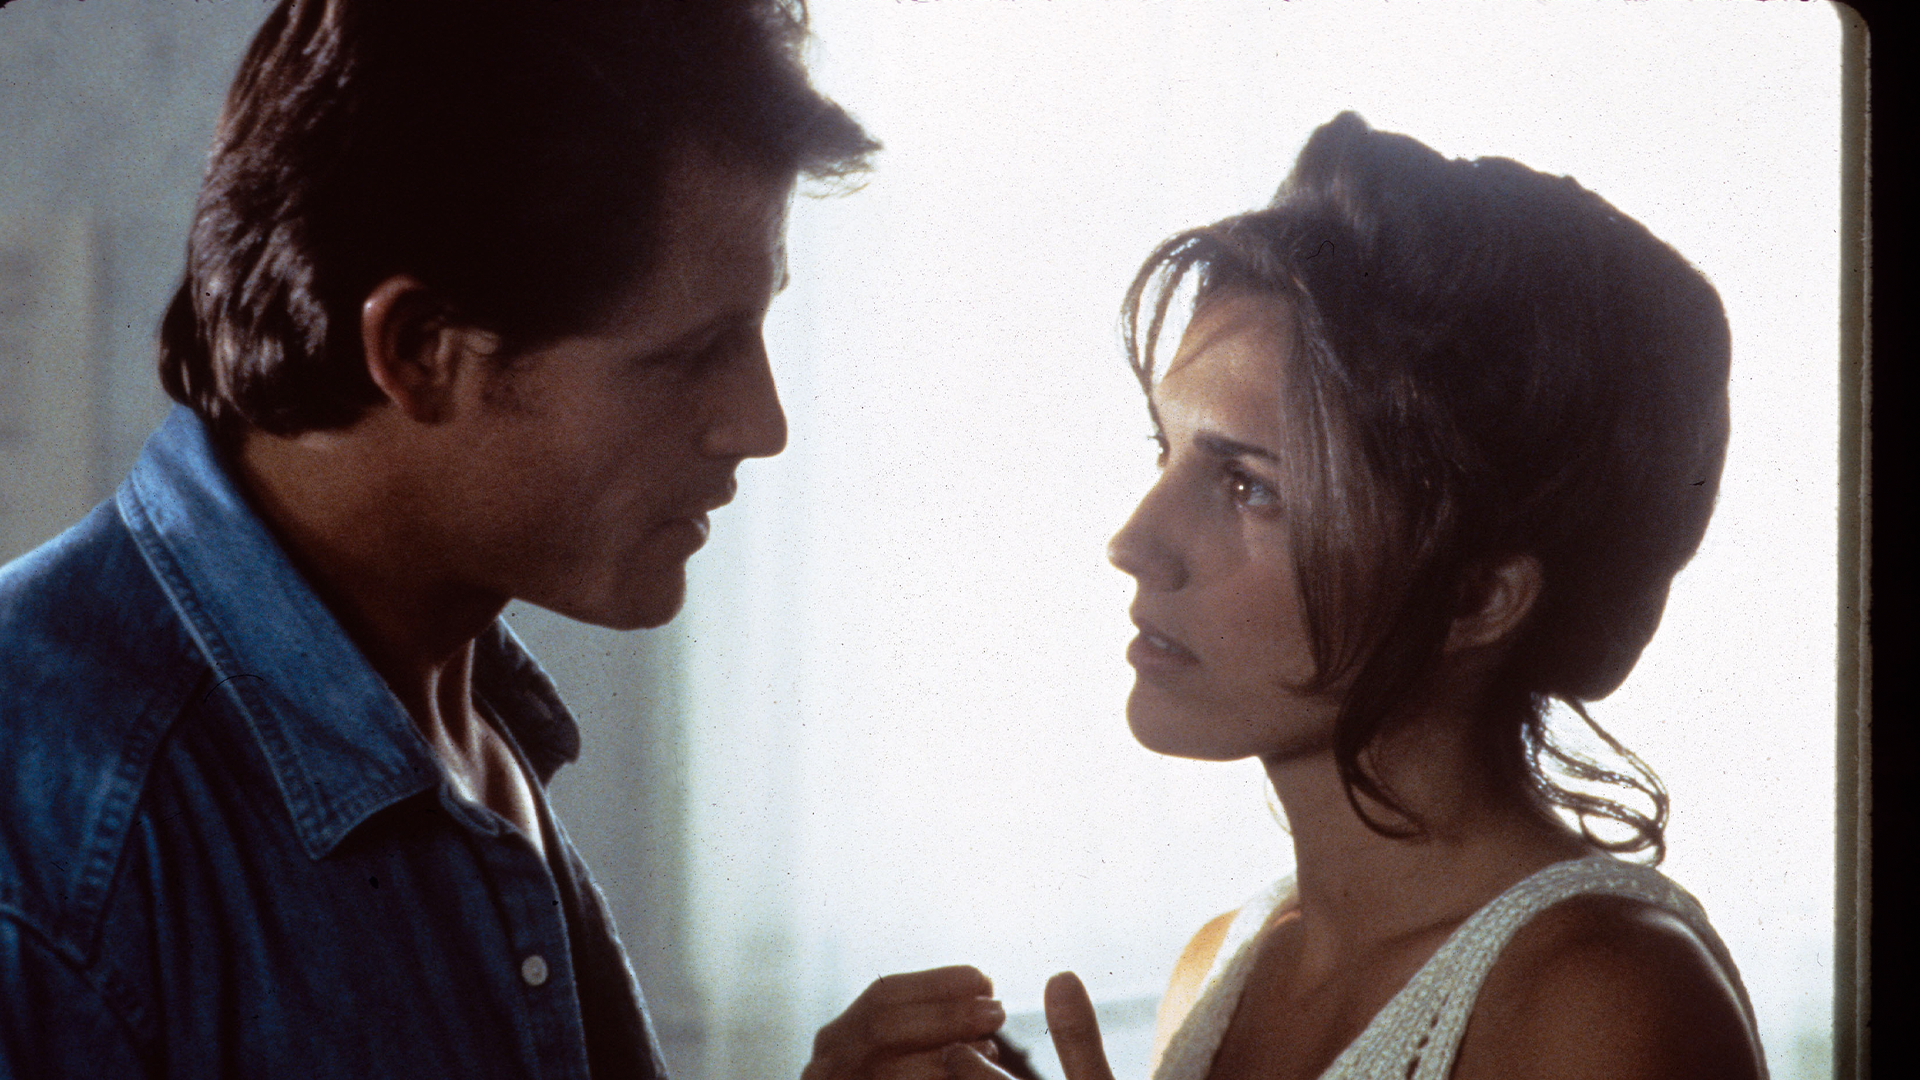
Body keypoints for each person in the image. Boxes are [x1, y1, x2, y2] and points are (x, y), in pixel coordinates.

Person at [0, 0, 1010, 1075]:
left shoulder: (450, 703)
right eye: (692, 354)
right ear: (419, 349)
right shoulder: (46, 830)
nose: (761, 426)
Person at [946, 112, 1768, 1080]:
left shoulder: (1601, 1000)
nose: (1136, 545)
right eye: (1165, 452)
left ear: (1475, 598)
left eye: (1248, 485)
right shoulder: (1220, 969)